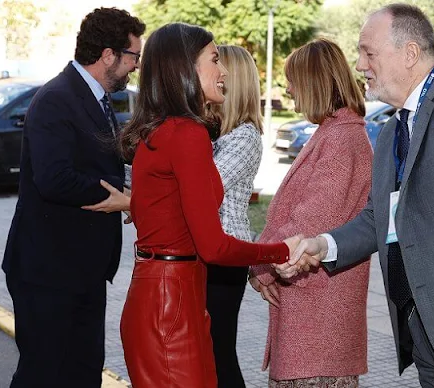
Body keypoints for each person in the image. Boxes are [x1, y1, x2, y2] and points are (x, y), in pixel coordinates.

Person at [278, 4, 434, 387]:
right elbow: (379, 217)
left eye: (368, 53)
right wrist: (321, 245)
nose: (359, 65)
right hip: (420, 327)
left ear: (409, 53)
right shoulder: (392, 130)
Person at [118, 23, 297, 388]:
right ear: (186, 68)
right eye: (215, 60)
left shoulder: (162, 130)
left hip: (167, 294)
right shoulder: (186, 134)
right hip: (172, 302)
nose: (224, 71)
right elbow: (213, 246)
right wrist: (281, 251)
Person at [1, 8, 144, 388]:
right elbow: (53, 179)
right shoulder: (56, 98)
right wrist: (119, 196)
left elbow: (101, 164)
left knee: (81, 374)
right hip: (49, 273)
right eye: (134, 57)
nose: (135, 67)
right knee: (43, 375)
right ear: (109, 54)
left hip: (81, 271)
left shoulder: (93, 97)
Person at [249, 38, 372, 388]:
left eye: (293, 79)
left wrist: (259, 266)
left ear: (314, 81)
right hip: (313, 316)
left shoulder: (342, 139)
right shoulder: (333, 132)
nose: (287, 88)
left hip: (320, 326)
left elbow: (307, 222)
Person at [205, 45, 264, 388]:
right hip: (214, 256)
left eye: (218, 68)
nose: (215, 75)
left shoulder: (244, 137)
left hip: (225, 260)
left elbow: (203, 187)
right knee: (210, 352)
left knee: (219, 354)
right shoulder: (221, 134)